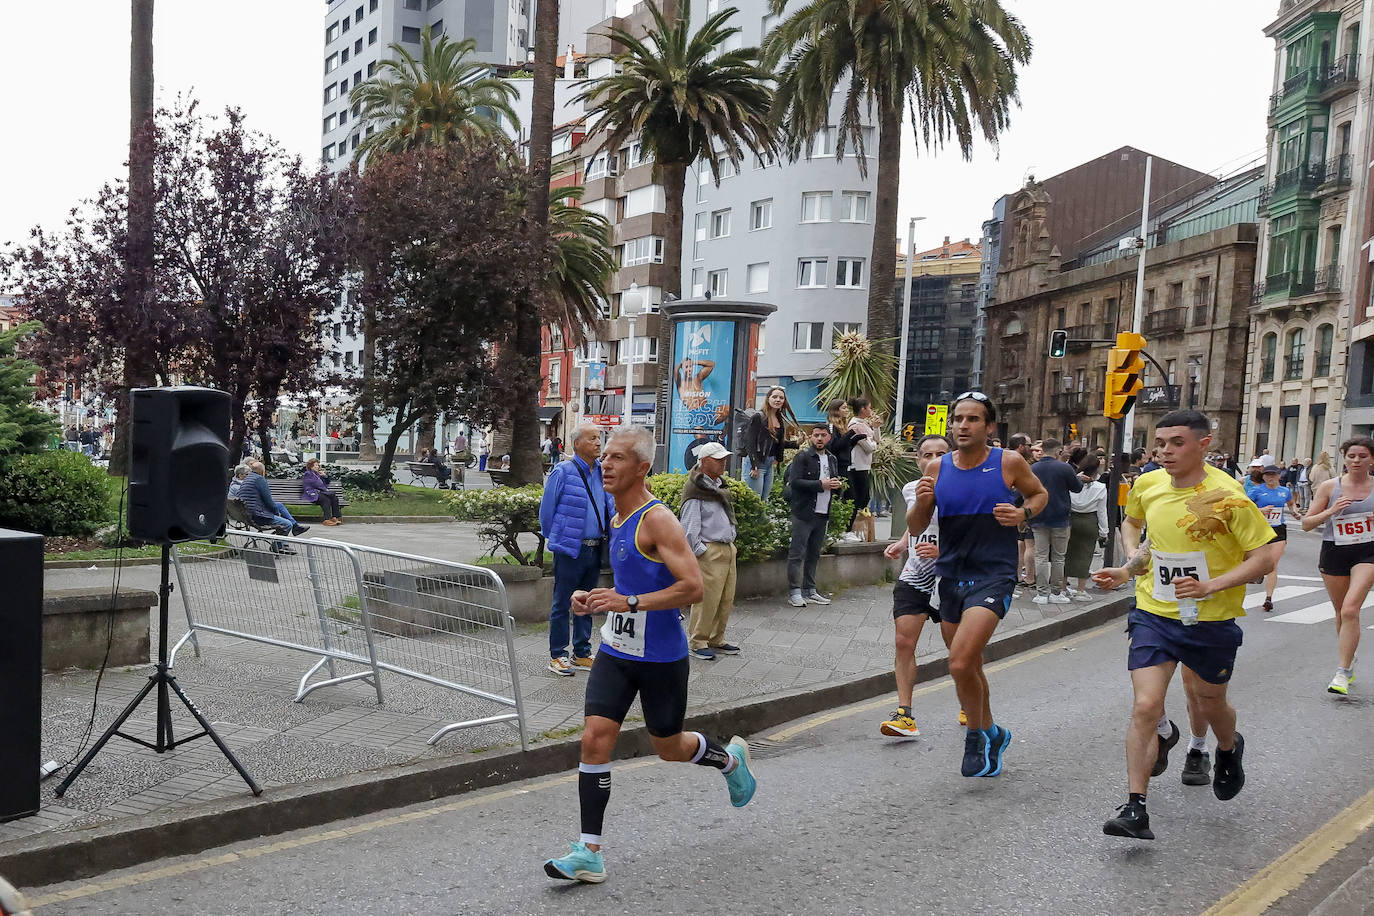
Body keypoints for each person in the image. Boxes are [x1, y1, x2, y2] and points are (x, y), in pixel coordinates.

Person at [543, 427, 756, 885]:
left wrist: (630, 603)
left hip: (660, 656)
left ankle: (731, 761)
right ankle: (589, 851)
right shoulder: (615, 515)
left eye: (618, 458)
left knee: (669, 747)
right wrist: (598, 597)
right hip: (617, 649)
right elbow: (632, 584)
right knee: (595, 739)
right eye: (605, 457)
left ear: (642, 467)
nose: (606, 464)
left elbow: (692, 587)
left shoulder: (657, 519)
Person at [1092, 409, 1277, 841]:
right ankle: (1135, 808)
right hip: (1154, 613)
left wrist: (1211, 585)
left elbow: (1264, 558)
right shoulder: (1149, 483)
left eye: (1176, 443)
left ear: (1204, 445)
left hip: (1209, 620)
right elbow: (1140, 530)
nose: (1165, 452)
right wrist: (1128, 567)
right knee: (1145, 706)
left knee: (1210, 704)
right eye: (1160, 443)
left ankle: (1228, 748)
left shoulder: (1228, 495)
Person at [906, 392, 1047, 778]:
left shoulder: (1009, 462)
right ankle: (993, 732)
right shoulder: (937, 468)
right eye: (958, 419)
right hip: (950, 575)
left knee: (961, 661)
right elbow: (917, 527)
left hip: (994, 573)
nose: (963, 426)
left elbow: (1039, 493)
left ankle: (975, 736)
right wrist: (921, 501)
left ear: (989, 427)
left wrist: (1021, 513)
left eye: (973, 419)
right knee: (970, 667)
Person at [880, 434, 960, 737]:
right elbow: (917, 526)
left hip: (950, 576)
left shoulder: (962, 490)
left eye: (941, 454)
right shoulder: (911, 488)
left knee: (958, 648)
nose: (933, 460)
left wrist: (943, 552)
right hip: (915, 576)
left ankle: (968, 701)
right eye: (927, 455)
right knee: (903, 643)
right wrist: (902, 544)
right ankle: (905, 715)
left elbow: (974, 537)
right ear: (918, 460)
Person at [538, 425, 615, 677]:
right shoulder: (563, 471)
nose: (597, 443)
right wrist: (557, 538)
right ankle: (558, 655)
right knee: (562, 602)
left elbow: (610, 506)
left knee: (588, 601)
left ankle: (581, 652)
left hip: (595, 549)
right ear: (577, 444)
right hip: (570, 549)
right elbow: (546, 512)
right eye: (592, 438)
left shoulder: (602, 472)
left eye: (599, 438)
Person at [1303, 436, 1374, 696]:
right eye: (1351, 456)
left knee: (1351, 609)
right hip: (1335, 551)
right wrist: (1331, 511)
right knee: (1340, 612)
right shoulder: (1330, 487)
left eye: (1362, 456)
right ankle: (1349, 658)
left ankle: (1342, 672)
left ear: (1372, 460)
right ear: (1344, 458)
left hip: (1368, 552)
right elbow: (1307, 524)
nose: (1356, 461)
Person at [679, 442, 740, 661]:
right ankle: (698, 640)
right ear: (704, 461)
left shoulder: (718, 485)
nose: (724, 462)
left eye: (724, 458)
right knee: (707, 598)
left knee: (725, 597)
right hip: (710, 549)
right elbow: (689, 527)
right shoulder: (696, 488)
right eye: (718, 459)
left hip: (726, 547)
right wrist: (700, 551)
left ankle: (716, 637)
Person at [784, 424, 844, 608]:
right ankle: (794, 591)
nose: (819, 438)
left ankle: (809, 590)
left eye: (823, 435)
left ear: (829, 438)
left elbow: (832, 481)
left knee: (814, 554)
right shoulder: (802, 457)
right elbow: (794, 482)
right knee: (797, 553)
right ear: (811, 437)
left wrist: (836, 486)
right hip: (804, 512)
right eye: (816, 435)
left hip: (822, 512)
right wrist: (820, 484)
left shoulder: (832, 459)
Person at [1030, 437, 1083, 605]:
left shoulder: (1033, 468)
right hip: (1060, 518)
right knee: (1059, 557)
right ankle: (1056, 592)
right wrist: (1079, 478)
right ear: (1058, 452)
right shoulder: (1064, 467)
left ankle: (1041, 593)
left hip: (1038, 516)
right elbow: (1077, 487)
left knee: (1041, 556)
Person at [1244, 459, 1298, 612]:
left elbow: (1290, 502)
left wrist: (1295, 512)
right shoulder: (1256, 491)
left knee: (1273, 564)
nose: (1270, 478)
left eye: (1273, 475)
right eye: (1267, 475)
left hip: (1278, 530)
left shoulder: (1284, 491)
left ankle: (1268, 598)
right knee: (1257, 560)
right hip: (1260, 529)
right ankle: (1259, 571)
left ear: (1278, 476)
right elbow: (1245, 508)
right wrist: (1260, 511)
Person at [742, 386, 799, 498]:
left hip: (769, 463)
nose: (778, 400)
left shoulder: (779, 419)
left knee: (764, 500)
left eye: (781, 398)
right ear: (768, 399)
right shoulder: (759, 417)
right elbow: (750, 442)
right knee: (755, 499)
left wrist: (796, 443)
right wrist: (755, 466)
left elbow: (776, 443)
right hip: (757, 462)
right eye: (774, 397)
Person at [1065, 456, 1108, 601]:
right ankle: (1080, 590)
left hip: (1071, 519)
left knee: (1067, 554)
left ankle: (1063, 587)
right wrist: (1104, 530)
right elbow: (1102, 511)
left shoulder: (1072, 483)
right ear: (1096, 471)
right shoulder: (1100, 487)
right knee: (1085, 554)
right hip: (1090, 520)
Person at [237, 460, 310, 546]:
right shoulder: (259, 480)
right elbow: (269, 501)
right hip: (257, 516)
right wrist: (276, 513)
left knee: (279, 505)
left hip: (248, 513)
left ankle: (296, 526)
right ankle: (278, 546)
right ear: (263, 471)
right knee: (287, 524)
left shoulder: (248, 479)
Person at [845, 397, 879, 539]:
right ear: (863, 409)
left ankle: (852, 529)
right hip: (856, 466)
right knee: (857, 498)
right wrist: (873, 443)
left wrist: (876, 427)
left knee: (863, 497)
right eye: (869, 407)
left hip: (864, 465)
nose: (871, 410)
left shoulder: (864, 424)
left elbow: (876, 441)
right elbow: (869, 447)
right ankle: (848, 530)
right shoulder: (854, 425)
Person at [1009, 433, 1038, 594]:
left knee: (1018, 545)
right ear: (1020, 446)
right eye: (1029, 445)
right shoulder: (1014, 462)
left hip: (1016, 511)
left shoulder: (1022, 463)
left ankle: (1015, 578)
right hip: (1012, 511)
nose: (1031, 448)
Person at [302, 458, 344, 526]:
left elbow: (327, 482)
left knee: (334, 498)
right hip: (312, 493)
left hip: (320, 492)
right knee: (325, 499)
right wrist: (323, 488)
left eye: (318, 465)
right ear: (311, 466)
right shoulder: (308, 474)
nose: (318, 467)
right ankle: (326, 519)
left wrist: (324, 476)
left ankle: (335, 517)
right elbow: (314, 484)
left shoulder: (318, 474)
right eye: (316, 465)